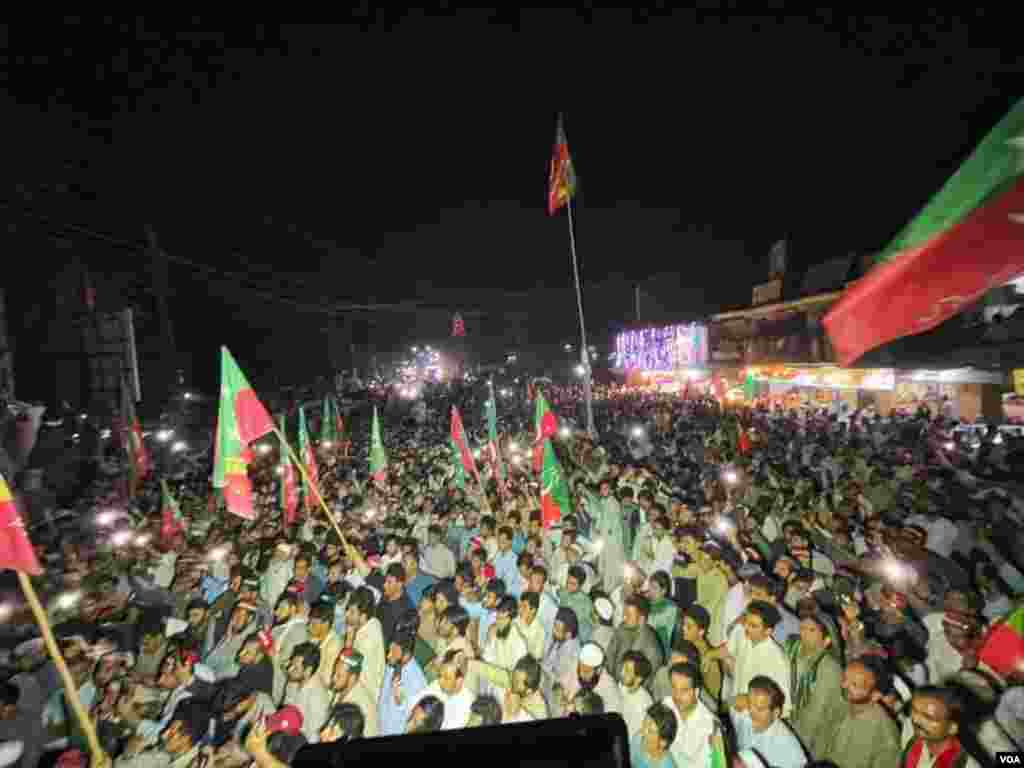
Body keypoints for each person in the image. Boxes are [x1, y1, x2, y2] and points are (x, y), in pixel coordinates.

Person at [819, 657, 902, 768]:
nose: (844, 686)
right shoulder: (842, 707)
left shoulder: (885, 733)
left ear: (875, 695)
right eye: (844, 679)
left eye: (855, 685)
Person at [729, 676, 806, 768]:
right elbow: (727, 704)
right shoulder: (744, 713)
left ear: (775, 713)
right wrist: (733, 700)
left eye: (760, 709)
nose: (751, 712)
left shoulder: (790, 750)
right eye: (750, 703)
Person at [902, 687, 982, 768]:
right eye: (915, 711)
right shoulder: (914, 744)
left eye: (928, 717)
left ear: (952, 727)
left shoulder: (964, 764)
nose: (916, 720)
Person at [630, 702, 679, 768]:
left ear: (663, 742)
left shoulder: (667, 766)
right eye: (644, 723)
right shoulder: (638, 739)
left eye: (650, 731)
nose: (642, 731)